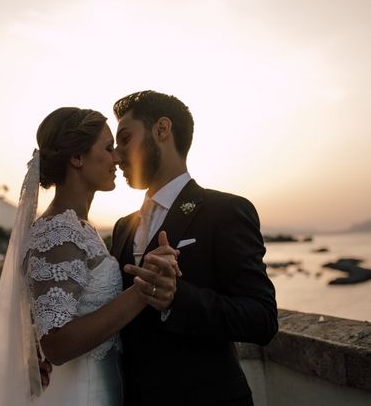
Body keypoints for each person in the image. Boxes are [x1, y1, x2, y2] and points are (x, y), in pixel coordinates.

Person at [0, 107, 180, 406]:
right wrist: (144, 290)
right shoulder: (58, 232)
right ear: (77, 158)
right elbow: (56, 344)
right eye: (108, 148)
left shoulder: (79, 228)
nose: (118, 158)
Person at [110, 90, 278, 405]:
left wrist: (178, 298)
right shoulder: (123, 227)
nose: (117, 155)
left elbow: (262, 319)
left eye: (125, 139)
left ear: (162, 130)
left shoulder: (225, 211)